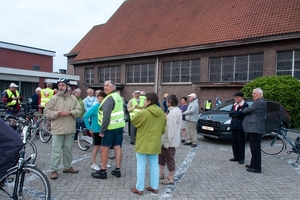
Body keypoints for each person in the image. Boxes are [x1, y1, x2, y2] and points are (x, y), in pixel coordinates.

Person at [44, 78, 82, 180]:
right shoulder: (54, 98)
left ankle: (67, 167)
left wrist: (71, 112)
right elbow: (47, 112)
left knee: (68, 149)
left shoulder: (73, 98)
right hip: (57, 129)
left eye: (63, 85)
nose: (61, 87)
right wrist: (57, 113)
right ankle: (53, 170)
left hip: (69, 129)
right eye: (59, 85)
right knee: (56, 150)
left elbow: (79, 111)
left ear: (67, 87)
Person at [130, 92, 166, 195]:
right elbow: (163, 130)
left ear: (149, 101)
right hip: (155, 142)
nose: (144, 102)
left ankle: (139, 188)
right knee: (154, 165)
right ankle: (155, 187)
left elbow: (134, 122)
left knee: (141, 166)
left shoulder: (143, 112)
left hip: (143, 142)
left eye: (145, 100)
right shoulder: (161, 113)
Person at [91, 80, 125, 179]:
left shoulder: (109, 98)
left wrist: (102, 131)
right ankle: (117, 170)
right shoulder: (118, 97)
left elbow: (106, 116)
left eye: (107, 86)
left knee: (104, 149)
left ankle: (103, 171)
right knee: (117, 148)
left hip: (110, 128)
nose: (104, 87)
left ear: (113, 87)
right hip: (119, 127)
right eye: (104, 86)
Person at [84, 91, 111, 170]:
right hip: (96, 130)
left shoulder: (106, 107)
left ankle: (102, 162)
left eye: (101, 98)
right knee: (96, 146)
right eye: (98, 98)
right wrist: (89, 128)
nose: (99, 100)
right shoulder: (95, 107)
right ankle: (93, 163)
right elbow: (85, 116)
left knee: (104, 147)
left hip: (104, 129)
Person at [242, 88, 266, 173]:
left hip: (256, 129)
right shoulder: (257, 102)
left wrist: (245, 110)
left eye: (255, 93)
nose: (253, 95)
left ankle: (257, 167)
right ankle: (253, 164)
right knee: (253, 148)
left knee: (255, 149)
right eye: (253, 93)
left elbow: (247, 110)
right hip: (253, 129)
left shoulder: (260, 103)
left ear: (260, 94)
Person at [159, 94, 181, 185]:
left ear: (170, 102)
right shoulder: (174, 111)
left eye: (167, 101)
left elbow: (170, 129)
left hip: (169, 142)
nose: (166, 103)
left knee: (169, 159)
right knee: (162, 157)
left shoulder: (173, 113)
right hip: (167, 141)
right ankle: (161, 173)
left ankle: (170, 177)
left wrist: (166, 143)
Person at [229, 92, 249, 165]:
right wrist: (235, 113)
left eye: (236, 97)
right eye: (235, 97)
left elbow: (241, 114)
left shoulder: (245, 105)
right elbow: (230, 113)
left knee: (240, 143)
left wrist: (235, 113)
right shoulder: (234, 105)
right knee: (234, 142)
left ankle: (241, 158)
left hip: (240, 126)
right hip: (233, 126)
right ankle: (236, 156)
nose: (235, 99)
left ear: (241, 97)